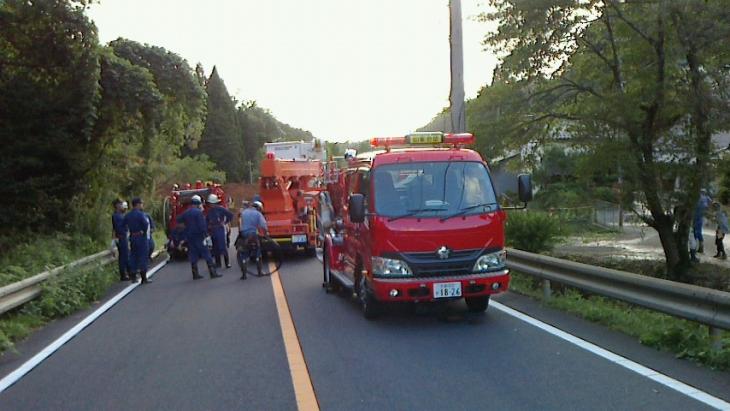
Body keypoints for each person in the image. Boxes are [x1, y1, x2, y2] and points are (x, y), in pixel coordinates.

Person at [177, 194, 221, 280]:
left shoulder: (186, 212)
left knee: (193, 255)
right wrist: (206, 235)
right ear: (198, 203)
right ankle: (213, 273)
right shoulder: (199, 213)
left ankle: (195, 274)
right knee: (207, 254)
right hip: (199, 237)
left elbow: (179, 220)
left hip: (190, 237)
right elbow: (202, 226)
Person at [236, 200, 269, 279]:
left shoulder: (244, 212)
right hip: (253, 235)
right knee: (258, 252)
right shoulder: (258, 214)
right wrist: (266, 234)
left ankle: (244, 274)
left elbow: (239, 223)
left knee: (243, 254)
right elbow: (263, 225)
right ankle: (260, 272)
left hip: (243, 235)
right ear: (259, 208)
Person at [124, 198, 152, 284]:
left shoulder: (128, 215)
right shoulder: (140, 214)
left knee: (133, 256)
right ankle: (144, 277)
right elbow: (145, 224)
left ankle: (133, 276)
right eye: (141, 203)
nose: (142, 205)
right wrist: (143, 232)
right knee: (143, 256)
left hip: (132, 237)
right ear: (137, 204)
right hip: (140, 236)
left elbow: (123, 225)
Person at [206, 193, 234, 268]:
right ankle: (218, 263)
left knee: (222, 246)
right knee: (215, 247)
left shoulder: (220, 209)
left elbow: (230, 215)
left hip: (219, 229)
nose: (210, 205)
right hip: (213, 230)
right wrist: (207, 229)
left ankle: (227, 262)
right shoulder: (209, 211)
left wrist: (225, 222)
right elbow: (207, 220)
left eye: (211, 203)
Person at [111, 200, 130, 281]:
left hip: (122, 237)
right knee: (123, 256)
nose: (123, 206)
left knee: (125, 255)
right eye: (121, 204)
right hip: (121, 237)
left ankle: (127, 272)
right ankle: (123, 274)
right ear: (117, 206)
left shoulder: (121, 215)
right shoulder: (117, 216)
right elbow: (119, 228)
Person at [693, 189, 712, 253]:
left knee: (696, 232)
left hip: (697, 217)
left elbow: (708, 206)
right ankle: (696, 247)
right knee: (696, 232)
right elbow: (709, 206)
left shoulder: (704, 198)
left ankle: (696, 248)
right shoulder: (706, 198)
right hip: (697, 217)